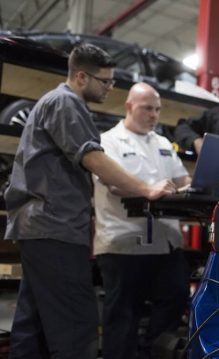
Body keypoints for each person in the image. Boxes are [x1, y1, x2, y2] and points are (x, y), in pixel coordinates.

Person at [4, 44, 176, 359]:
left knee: (35, 323)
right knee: (76, 325)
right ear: (82, 76)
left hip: (39, 227)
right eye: (105, 81)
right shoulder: (66, 103)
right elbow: (93, 158)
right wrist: (146, 189)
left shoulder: (56, 102)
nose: (110, 88)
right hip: (53, 227)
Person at [93, 82, 192, 359]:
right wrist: (150, 188)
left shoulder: (162, 143)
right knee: (123, 317)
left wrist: (195, 186)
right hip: (124, 244)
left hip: (165, 244)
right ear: (129, 106)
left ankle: (154, 354)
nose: (154, 115)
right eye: (147, 108)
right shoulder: (108, 140)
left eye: (157, 109)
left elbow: (183, 180)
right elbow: (114, 184)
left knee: (175, 298)